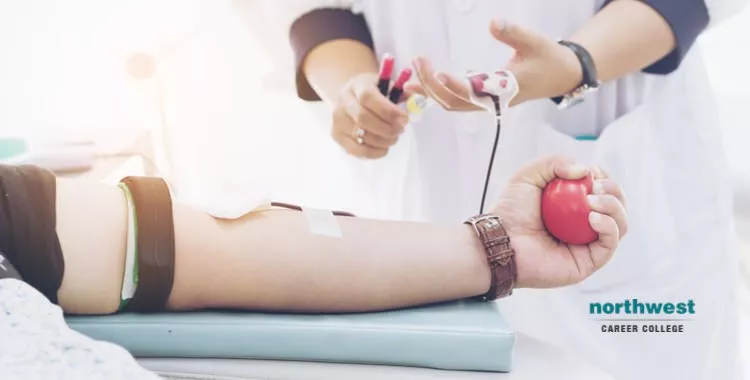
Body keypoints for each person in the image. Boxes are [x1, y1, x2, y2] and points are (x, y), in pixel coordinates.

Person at [284, 1, 746, 379]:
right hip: (422, 184)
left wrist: (574, 63)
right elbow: (313, 10)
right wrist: (354, 89)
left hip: (626, 217)